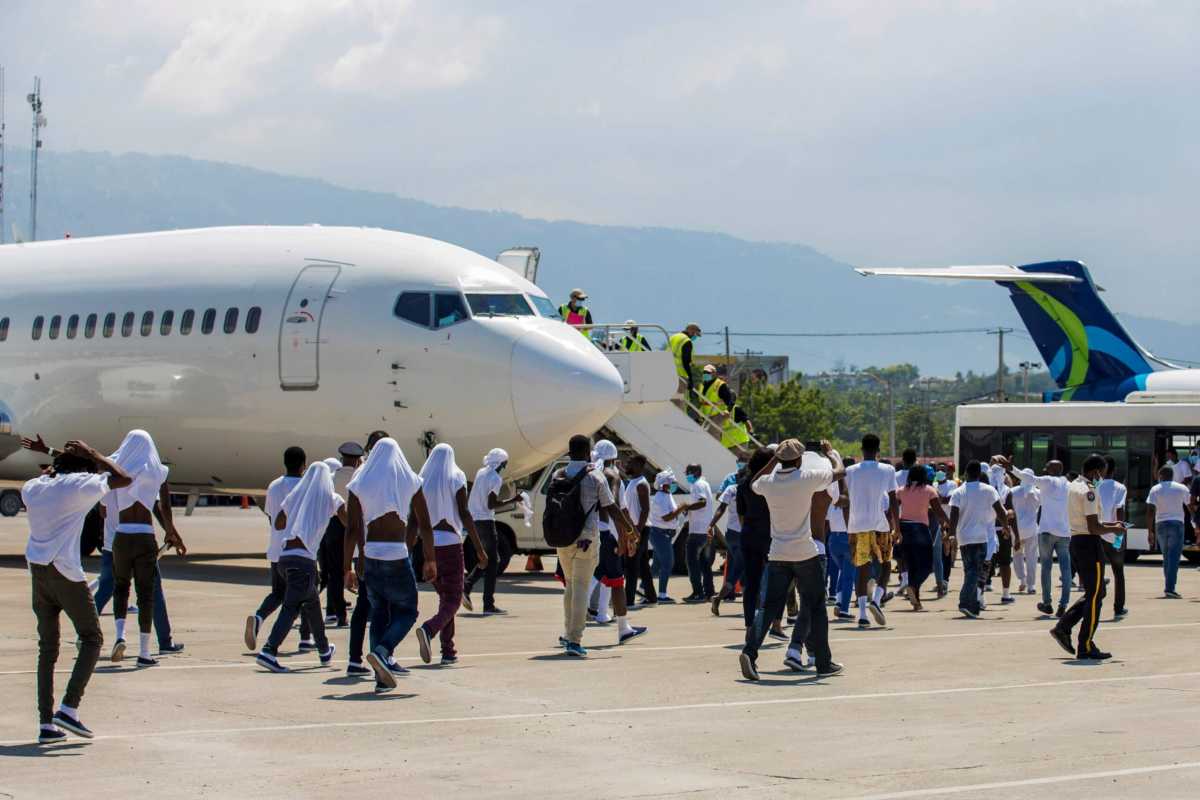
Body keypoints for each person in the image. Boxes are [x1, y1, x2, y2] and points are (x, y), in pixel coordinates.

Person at [22, 439, 132, 743]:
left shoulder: (32, 487)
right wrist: (94, 453)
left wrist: (54, 454)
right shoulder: (80, 486)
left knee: (47, 649)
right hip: (66, 572)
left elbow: (55, 472)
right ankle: (69, 708)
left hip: (38, 572)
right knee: (92, 639)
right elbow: (124, 478)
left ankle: (46, 724)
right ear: (83, 469)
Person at [739, 440, 844, 681]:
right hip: (805, 552)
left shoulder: (769, 483)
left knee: (768, 607)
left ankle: (749, 652)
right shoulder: (806, 478)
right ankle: (823, 663)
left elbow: (754, 481)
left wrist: (774, 459)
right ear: (799, 460)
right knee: (816, 606)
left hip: (778, 553)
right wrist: (830, 453)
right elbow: (839, 472)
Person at [343, 438, 434, 691]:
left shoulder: (360, 482)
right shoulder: (410, 480)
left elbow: (352, 529)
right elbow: (425, 524)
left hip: (371, 555)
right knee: (408, 611)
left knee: (379, 613)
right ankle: (383, 652)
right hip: (396, 554)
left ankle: (381, 679)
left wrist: (347, 567)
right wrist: (430, 558)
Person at [105, 430, 186, 667]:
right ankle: (144, 652)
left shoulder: (117, 470)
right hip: (144, 535)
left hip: (122, 535)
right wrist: (171, 532)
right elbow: (165, 506)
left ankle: (120, 635)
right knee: (146, 594)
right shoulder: (157, 470)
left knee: (121, 587)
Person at [552, 434, 637, 657]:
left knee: (571, 586)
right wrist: (630, 530)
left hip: (563, 538)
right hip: (586, 538)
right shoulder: (595, 476)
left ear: (570, 452)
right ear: (586, 452)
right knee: (581, 587)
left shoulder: (558, 474)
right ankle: (574, 640)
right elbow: (612, 508)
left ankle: (568, 632)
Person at [256, 462, 344, 674]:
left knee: (312, 605)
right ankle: (269, 651)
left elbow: (278, 523)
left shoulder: (296, 495)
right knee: (291, 608)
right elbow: (349, 522)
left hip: (285, 558)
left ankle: (324, 650)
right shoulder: (331, 498)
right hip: (303, 562)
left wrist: (298, 515)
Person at [414, 444, 488, 666]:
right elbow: (464, 512)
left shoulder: (422, 479)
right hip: (451, 544)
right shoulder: (456, 476)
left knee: (446, 599)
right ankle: (429, 629)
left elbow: (413, 517)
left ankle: (448, 650)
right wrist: (479, 547)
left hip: (429, 545)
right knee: (454, 599)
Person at [1049, 455, 1127, 660]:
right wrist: (1115, 529)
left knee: (1097, 592)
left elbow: (1089, 523)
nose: (1102, 477)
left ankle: (1064, 627)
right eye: (1102, 473)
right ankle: (1084, 643)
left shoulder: (1073, 486)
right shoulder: (1089, 491)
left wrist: (1111, 526)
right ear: (1096, 471)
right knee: (1095, 596)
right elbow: (1093, 527)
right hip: (1089, 544)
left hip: (1077, 541)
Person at [244, 446, 307, 652]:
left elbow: (272, 517)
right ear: (304, 465)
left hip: (277, 550)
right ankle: (305, 638)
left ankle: (259, 617)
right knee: (306, 596)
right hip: (300, 551)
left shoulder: (274, 486)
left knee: (278, 593)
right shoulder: (306, 486)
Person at [589, 440, 648, 644]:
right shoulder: (612, 475)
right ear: (614, 458)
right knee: (616, 582)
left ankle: (573, 626)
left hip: (593, 533)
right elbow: (614, 505)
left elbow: (621, 509)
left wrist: (630, 532)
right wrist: (630, 533)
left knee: (596, 576)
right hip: (607, 535)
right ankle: (623, 629)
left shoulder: (592, 474)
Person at [843, 434, 897, 629]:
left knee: (862, 569)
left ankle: (863, 615)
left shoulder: (849, 471)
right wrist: (897, 527)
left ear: (861, 449)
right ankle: (877, 599)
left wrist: (848, 525)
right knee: (886, 564)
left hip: (857, 525)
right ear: (878, 451)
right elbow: (893, 500)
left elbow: (845, 500)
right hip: (880, 524)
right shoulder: (888, 469)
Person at [1008, 459, 1072, 618]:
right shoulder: (1069, 485)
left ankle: (1047, 603)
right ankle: (1063, 604)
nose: (1045, 470)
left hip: (1046, 532)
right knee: (1066, 569)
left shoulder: (1047, 481)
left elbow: (1028, 478)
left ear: (1052, 470)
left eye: (1047, 468)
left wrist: (1011, 468)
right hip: (1064, 533)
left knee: (1046, 568)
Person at [947, 462, 1008, 619]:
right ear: (979, 474)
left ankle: (973, 606)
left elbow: (953, 515)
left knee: (970, 571)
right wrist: (1006, 527)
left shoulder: (958, 491)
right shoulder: (989, 490)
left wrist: (951, 535)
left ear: (966, 474)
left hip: (964, 537)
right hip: (981, 537)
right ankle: (964, 602)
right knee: (975, 571)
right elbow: (1000, 511)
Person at [319, 442, 362, 627]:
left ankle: (338, 614)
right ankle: (364, 610)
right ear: (358, 460)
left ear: (342, 458)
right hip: (358, 524)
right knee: (361, 568)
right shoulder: (361, 477)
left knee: (335, 573)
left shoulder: (330, 478)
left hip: (334, 526)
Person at [464, 448, 511, 614]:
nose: (504, 467)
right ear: (500, 463)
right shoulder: (495, 478)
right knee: (493, 561)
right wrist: (513, 500)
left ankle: (481, 597)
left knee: (489, 560)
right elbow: (491, 504)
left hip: (475, 521)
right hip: (486, 521)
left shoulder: (481, 472)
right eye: (504, 464)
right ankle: (479, 597)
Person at [896, 466, 948, 611]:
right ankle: (913, 586)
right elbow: (938, 511)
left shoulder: (901, 490)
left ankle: (916, 602)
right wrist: (949, 523)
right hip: (920, 528)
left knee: (912, 566)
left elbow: (893, 509)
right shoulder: (929, 490)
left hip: (904, 528)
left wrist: (894, 527)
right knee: (927, 566)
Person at [737, 448, 775, 633]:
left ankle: (749, 625)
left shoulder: (744, 483)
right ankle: (774, 623)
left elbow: (741, 514)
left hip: (749, 534)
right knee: (774, 582)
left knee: (751, 584)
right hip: (768, 536)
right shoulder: (771, 483)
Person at [1147, 465, 1193, 599]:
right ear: (1172, 476)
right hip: (1176, 524)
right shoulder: (1181, 488)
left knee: (1167, 557)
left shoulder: (1155, 489)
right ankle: (1170, 588)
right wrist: (1195, 523)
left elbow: (1150, 511)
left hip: (1160, 525)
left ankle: (1169, 586)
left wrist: (1150, 531)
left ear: (1160, 476)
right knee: (1173, 557)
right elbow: (1190, 506)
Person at [622, 454, 657, 606]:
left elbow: (645, 510)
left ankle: (628, 600)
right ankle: (652, 598)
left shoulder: (641, 484)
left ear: (639, 466)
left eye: (630, 463)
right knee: (643, 566)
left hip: (639, 529)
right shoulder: (632, 482)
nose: (627, 465)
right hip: (635, 529)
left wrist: (636, 532)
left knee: (631, 566)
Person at [1096, 456, 1128, 617]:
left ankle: (1096, 602)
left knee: (1098, 571)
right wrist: (1119, 536)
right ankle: (1118, 607)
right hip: (1114, 532)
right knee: (1118, 572)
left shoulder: (1094, 486)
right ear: (1114, 470)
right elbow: (1119, 510)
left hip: (1096, 533)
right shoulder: (1120, 487)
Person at [709, 474, 744, 615]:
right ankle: (754, 606)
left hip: (731, 534)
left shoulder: (731, 489)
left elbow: (721, 508)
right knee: (742, 569)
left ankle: (719, 597)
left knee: (735, 568)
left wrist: (711, 525)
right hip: (743, 534)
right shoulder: (751, 489)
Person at [679, 464, 715, 602]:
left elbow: (702, 502)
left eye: (688, 472)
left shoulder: (697, 485)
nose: (686, 474)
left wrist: (687, 507)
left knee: (692, 562)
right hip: (705, 530)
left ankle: (698, 593)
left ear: (696, 472)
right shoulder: (704, 484)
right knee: (705, 564)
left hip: (698, 531)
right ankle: (709, 592)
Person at [647, 470, 683, 602]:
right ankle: (662, 595)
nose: (674, 484)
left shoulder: (667, 495)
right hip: (660, 534)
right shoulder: (661, 497)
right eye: (672, 482)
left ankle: (643, 587)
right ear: (664, 484)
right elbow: (667, 517)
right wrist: (681, 508)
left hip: (663, 534)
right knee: (668, 563)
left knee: (656, 565)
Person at [826, 471, 854, 620]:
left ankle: (838, 600)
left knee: (843, 572)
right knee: (849, 576)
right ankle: (844, 609)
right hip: (846, 538)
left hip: (833, 540)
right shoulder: (850, 501)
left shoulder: (832, 503)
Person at [1010, 469, 1042, 597]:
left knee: (1017, 555)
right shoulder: (1038, 493)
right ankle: (1031, 585)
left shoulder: (1013, 491)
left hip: (1016, 530)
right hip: (1032, 529)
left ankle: (1022, 579)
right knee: (1032, 557)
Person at [668, 323, 703, 402]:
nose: (695, 337)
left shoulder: (673, 337)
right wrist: (690, 378)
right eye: (695, 334)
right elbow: (686, 361)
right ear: (691, 331)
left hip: (668, 372)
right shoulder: (686, 341)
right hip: (679, 375)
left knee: (670, 400)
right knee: (678, 401)